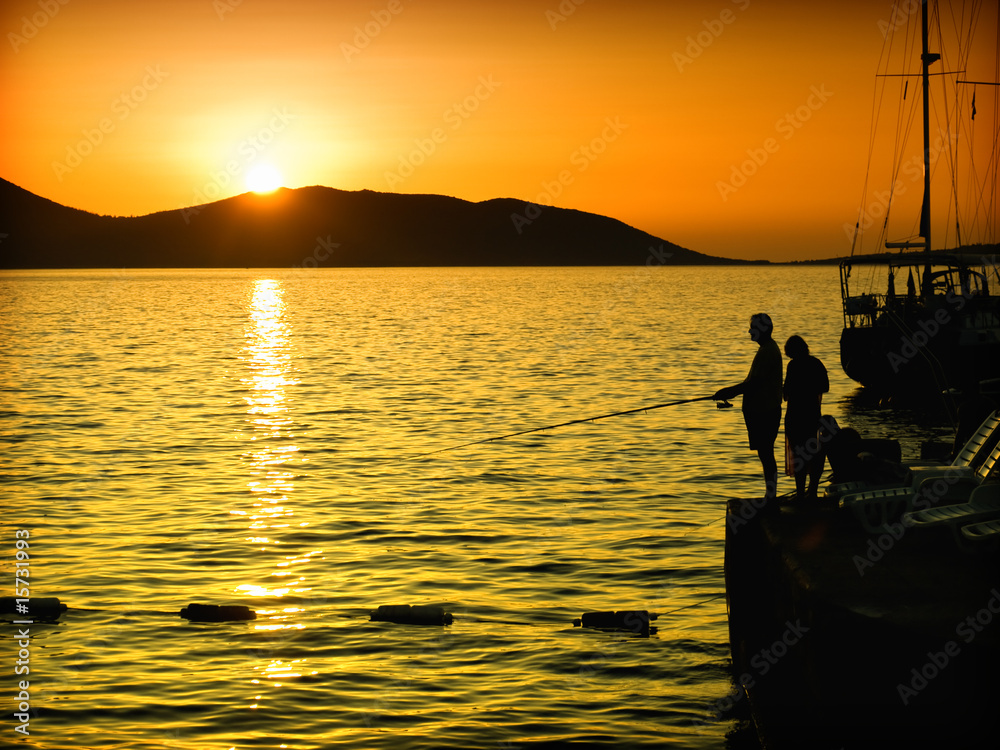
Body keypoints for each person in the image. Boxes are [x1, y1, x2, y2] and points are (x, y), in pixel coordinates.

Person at [714, 313, 783, 500]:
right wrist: (729, 391)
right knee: (765, 453)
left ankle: (771, 496)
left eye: (752, 327)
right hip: (763, 410)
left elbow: (754, 383)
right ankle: (770, 495)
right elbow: (753, 381)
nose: (749, 331)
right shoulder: (766, 349)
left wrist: (729, 391)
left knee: (766, 454)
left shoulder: (767, 351)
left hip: (766, 411)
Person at [782, 335, 829, 500]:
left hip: (795, 415)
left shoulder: (793, 365)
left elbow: (787, 391)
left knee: (798, 454)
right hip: (812, 415)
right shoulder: (816, 363)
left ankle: (801, 493)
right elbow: (826, 386)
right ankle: (813, 491)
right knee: (813, 453)